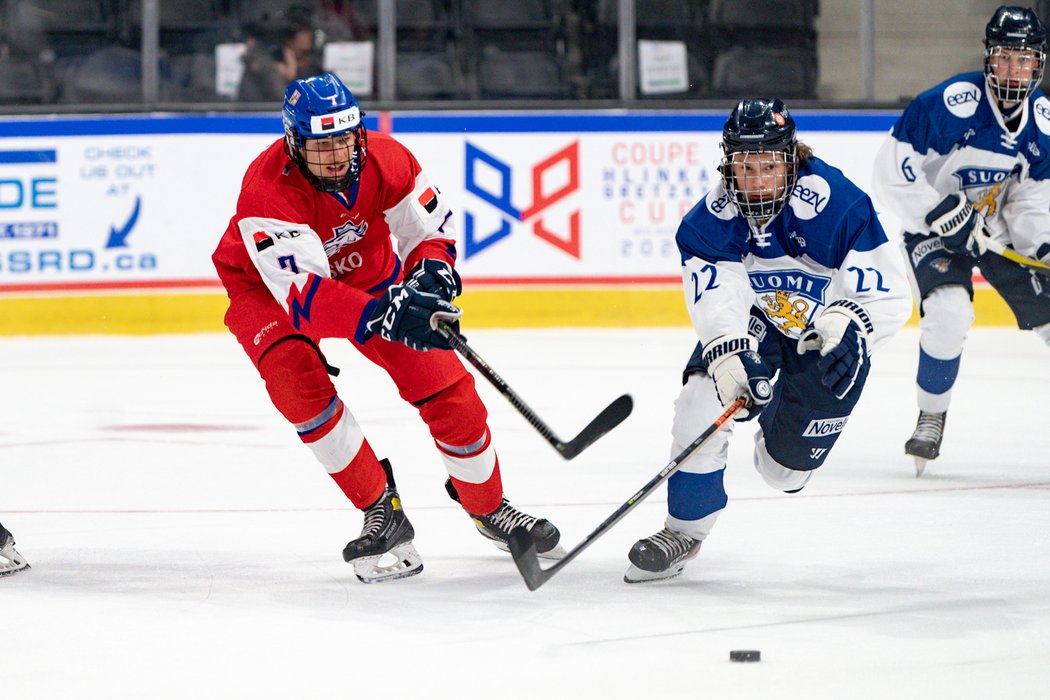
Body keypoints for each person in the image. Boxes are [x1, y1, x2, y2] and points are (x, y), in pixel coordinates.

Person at [212, 72, 562, 583]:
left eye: (343, 139)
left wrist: (432, 277)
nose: (335, 154)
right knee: (296, 382)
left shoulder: (387, 158)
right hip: (268, 291)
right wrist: (384, 314)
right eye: (319, 144)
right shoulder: (267, 190)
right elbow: (305, 297)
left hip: (370, 274)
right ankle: (381, 508)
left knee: (449, 389)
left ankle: (487, 506)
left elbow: (429, 231)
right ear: (293, 143)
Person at [624, 98, 911, 583]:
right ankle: (683, 530)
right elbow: (719, 301)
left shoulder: (839, 204)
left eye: (767, 166)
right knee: (700, 400)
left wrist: (851, 324)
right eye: (744, 165)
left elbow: (888, 290)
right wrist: (730, 354)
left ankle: (784, 422)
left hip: (824, 333)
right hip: (759, 321)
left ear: (791, 159)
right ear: (727, 161)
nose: (755, 180)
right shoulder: (708, 222)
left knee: (783, 474)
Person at [873, 5, 1050, 476]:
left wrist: (1042, 247)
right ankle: (932, 413)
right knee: (950, 312)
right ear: (989, 58)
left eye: (1025, 59)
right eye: (1006, 58)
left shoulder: (1042, 120)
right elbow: (890, 173)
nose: (1015, 69)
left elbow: (1030, 201)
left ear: (1039, 63)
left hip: (994, 232)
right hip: (932, 227)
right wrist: (938, 211)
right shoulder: (947, 103)